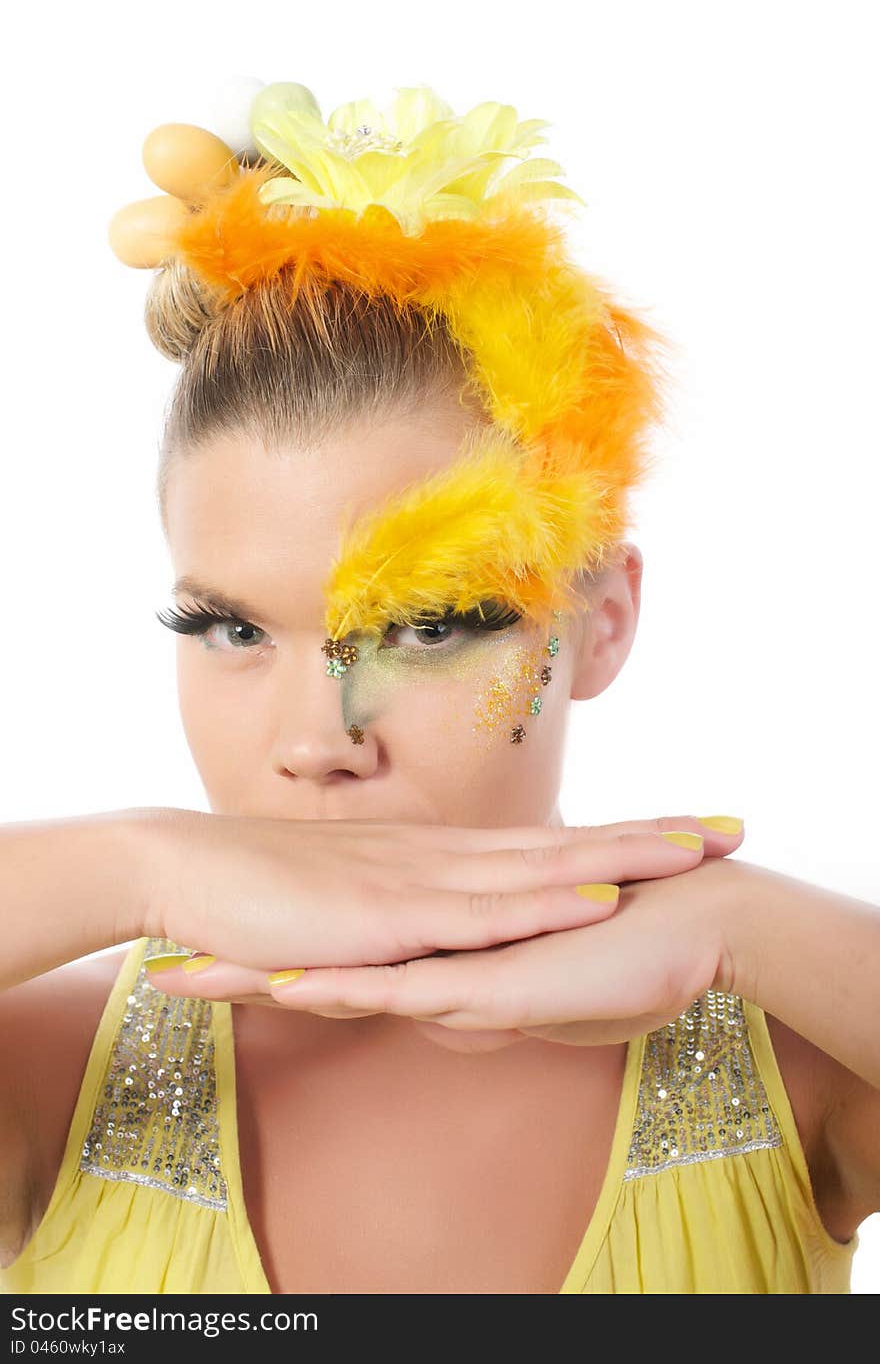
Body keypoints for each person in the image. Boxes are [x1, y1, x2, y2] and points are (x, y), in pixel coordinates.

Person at [1, 80, 877, 1296]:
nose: (318, 740)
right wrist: (127, 863)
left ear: (603, 619)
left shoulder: (801, 1066)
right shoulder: (49, 1072)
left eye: (424, 625)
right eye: (230, 626)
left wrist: (741, 932)